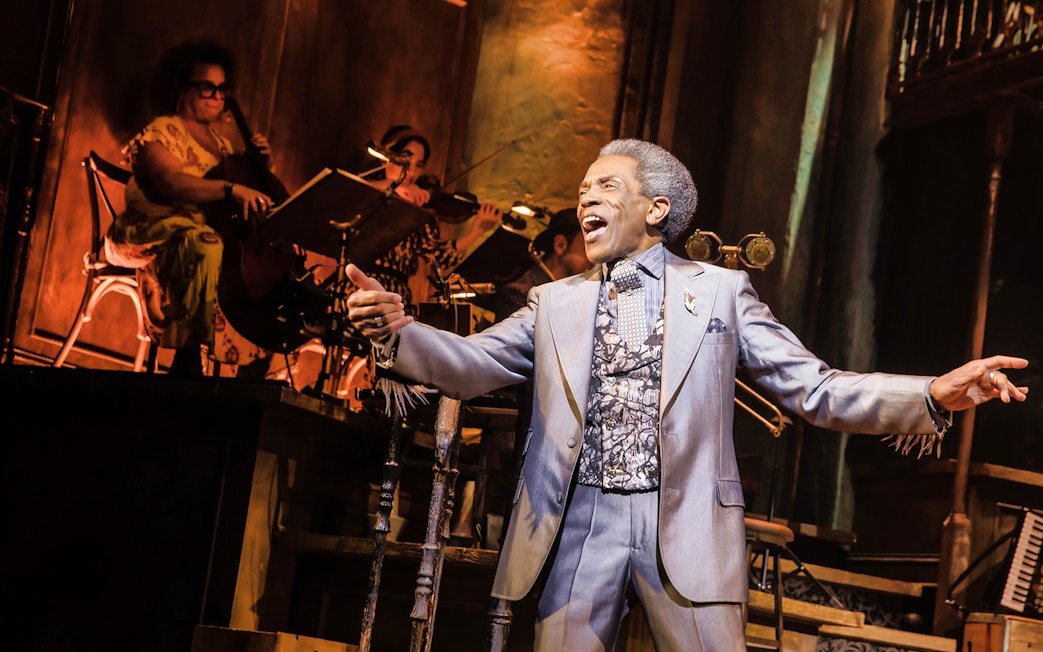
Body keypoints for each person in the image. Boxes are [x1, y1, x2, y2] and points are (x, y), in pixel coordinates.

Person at [343, 138, 1030, 650]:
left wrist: (932, 393)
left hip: (686, 523)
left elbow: (813, 388)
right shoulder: (552, 302)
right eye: (582, 188)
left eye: (605, 187)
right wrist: (398, 331)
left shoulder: (721, 293)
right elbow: (468, 365)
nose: (584, 198)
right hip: (579, 525)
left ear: (656, 208)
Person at [105, 40, 277, 377]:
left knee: (254, 261)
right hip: (158, 228)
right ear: (181, 88)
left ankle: (253, 367)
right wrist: (230, 188)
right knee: (205, 244)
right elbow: (170, 182)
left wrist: (262, 168)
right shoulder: (162, 130)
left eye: (222, 89)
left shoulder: (225, 145)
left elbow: (241, 200)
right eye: (206, 88)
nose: (217, 97)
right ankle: (187, 357)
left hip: (206, 230)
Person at [355, 125, 502, 314]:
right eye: (405, 160)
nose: (411, 172)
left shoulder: (418, 209)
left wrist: (476, 231)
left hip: (395, 295)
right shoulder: (365, 190)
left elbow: (437, 256)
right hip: (358, 287)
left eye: (419, 164)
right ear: (388, 156)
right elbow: (349, 192)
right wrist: (392, 187)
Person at [489, 207, 592, 322]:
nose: (593, 260)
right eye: (587, 249)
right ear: (560, 245)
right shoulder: (520, 293)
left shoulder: (576, 294)